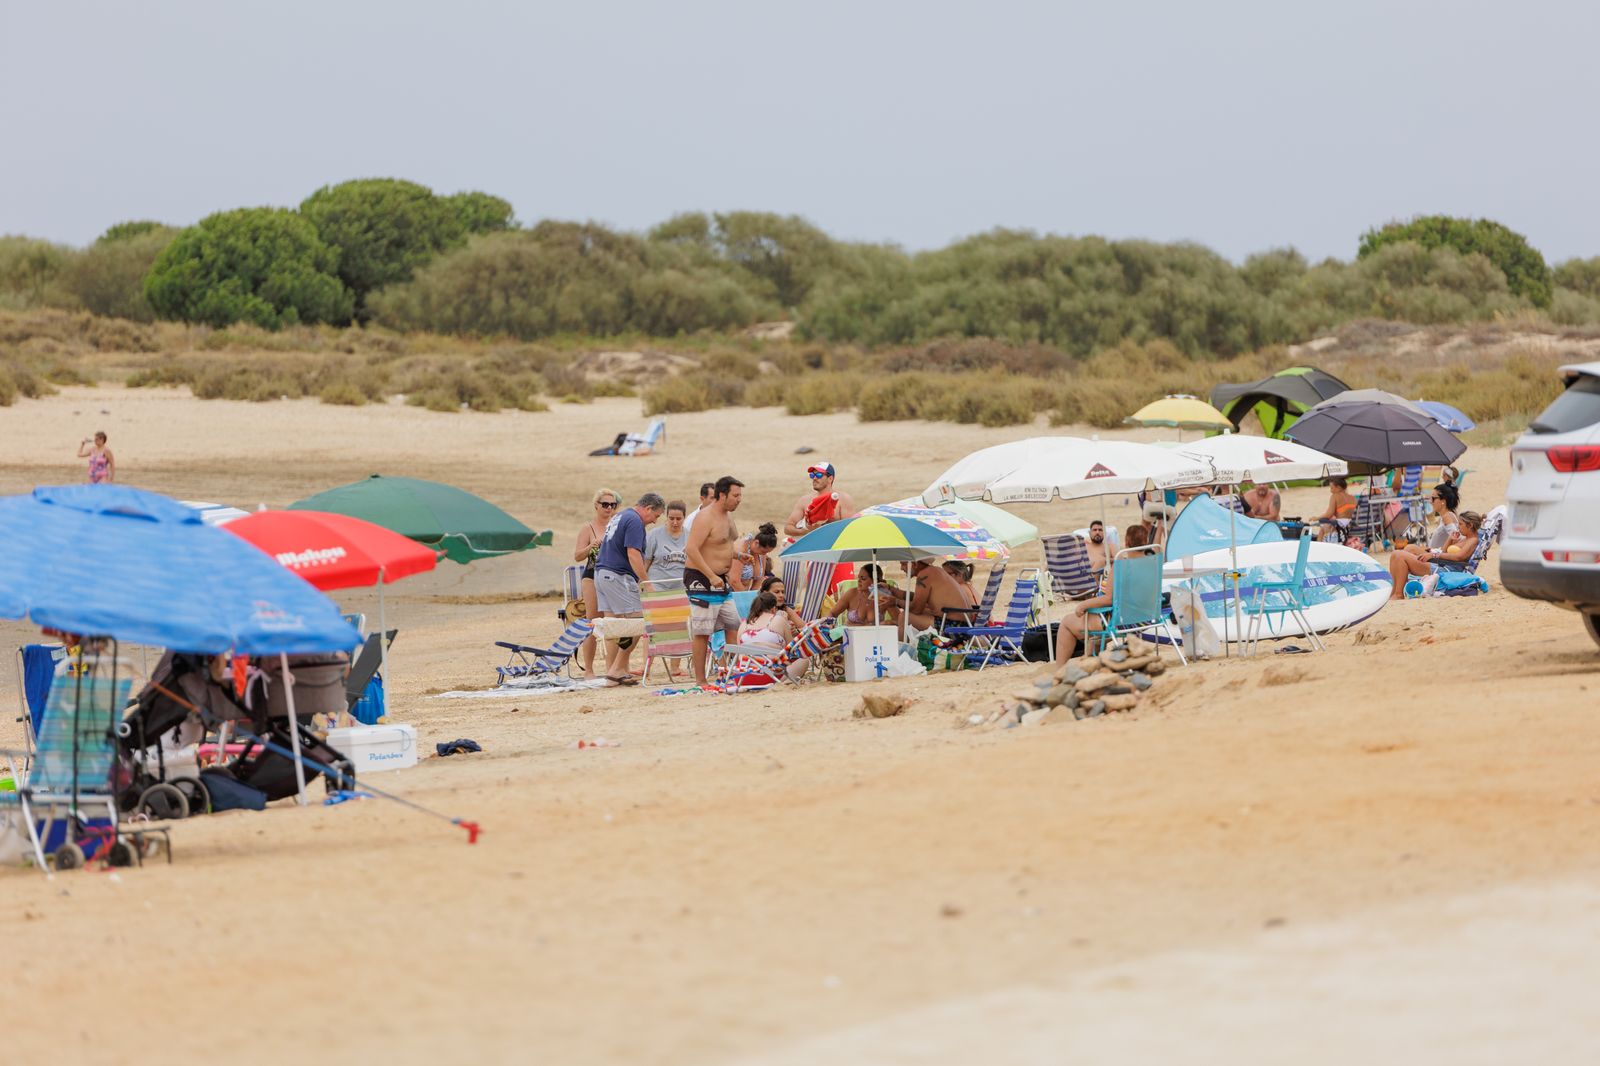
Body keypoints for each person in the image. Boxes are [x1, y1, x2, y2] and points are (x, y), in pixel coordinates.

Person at [1053, 525, 1152, 665]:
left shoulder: (1121, 564)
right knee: (1097, 637)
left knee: (1067, 622)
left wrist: (1083, 605)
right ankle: (1092, 662)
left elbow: (1108, 599)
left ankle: (1059, 669)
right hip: (1147, 618)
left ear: (1127, 542)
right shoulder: (1153, 562)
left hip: (1123, 622)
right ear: (1146, 542)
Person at [594, 492, 665, 683]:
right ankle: (617, 669)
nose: (654, 522)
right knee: (638, 622)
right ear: (648, 508)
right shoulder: (635, 521)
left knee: (614, 626)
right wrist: (645, 581)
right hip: (618, 575)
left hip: (601, 573)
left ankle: (617, 670)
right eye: (656, 516)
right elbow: (633, 553)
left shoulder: (621, 515)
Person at [684, 476, 745, 684]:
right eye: (735, 495)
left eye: (740, 496)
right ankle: (701, 680)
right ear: (722, 495)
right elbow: (691, 549)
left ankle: (731, 672)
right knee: (703, 631)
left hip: (720, 580)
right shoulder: (705, 517)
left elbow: (724, 545)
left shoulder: (728, 517)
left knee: (733, 624)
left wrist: (738, 556)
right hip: (701, 578)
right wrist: (710, 575)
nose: (739, 500)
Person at [573, 488, 621, 678]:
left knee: (611, 621)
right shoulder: (588, 528)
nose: (609, 508)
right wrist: (591, 546)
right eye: (605, 504)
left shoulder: (617, 525)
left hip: (613, 575)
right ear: (596, 506)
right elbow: (577, 556)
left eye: (613, 505)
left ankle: (612, 667)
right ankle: (589, 669)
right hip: (592, 574)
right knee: (592, 621)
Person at [1387, 509, 1481, 598]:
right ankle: (1394, 592)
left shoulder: (1472, 541)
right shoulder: (1465, 539)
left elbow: (1458, 557)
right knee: (1409, 548)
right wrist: (1450, 539)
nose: (1458, 527)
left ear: (1470, 525)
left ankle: (1398, 594)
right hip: (1443, 565)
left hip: (1445, 571)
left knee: (1398, 555)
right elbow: (1444, 552)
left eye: (1461, 524)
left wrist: (1433, 555)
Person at [783, 461, 856, 539]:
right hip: (812, 545)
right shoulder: (804, 500)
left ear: (830, 479)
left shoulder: (843, 499)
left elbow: (849, 528)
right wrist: (805, 531)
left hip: (832, 545)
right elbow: (788, 528)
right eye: (812, 475)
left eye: (819, 475)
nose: (814, 478)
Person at [904, 558, 974, 635]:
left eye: (903, 564)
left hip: (955, 627)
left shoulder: (925, 573)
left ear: (915, 564)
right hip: (964, 625)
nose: (901, 568)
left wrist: (896, 602)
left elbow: (916, 609)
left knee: (904, 617)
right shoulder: (936, 571)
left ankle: (901, 646)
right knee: (913, 615)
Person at [1394, 483, 1459, 559]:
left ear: (1443, 501)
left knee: (1408, 549)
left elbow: (1456, 538)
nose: (1430, 501)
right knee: (1407, 549)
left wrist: (1438, 550)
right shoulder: (1445, 517)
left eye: (1433, 498)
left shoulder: (1447, 517)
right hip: (1434, 554)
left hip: (1437, 557)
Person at [830, 564, 900, 627]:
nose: (859, 581)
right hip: (851, 637)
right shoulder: (851, 593)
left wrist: (886, 623)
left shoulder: (883, 597)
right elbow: (832, 613)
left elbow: (899, 621)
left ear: (874, 580)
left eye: (863, 578)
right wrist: (829, 624)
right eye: (858, 578)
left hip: (873, 638)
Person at [645, 500, 689, 587]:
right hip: (658, 586)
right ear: (666, 517)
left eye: (679, 519)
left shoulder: (690, 536)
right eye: (671, 518)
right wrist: (643, 584)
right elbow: (646, 562)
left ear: (684, 517)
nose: (675, 522)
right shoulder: (654, 534)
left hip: (682, 586)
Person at [731, 523, 779, 590]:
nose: (765, 554)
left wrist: (753, 596)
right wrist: (746, 598)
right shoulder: (740, 549)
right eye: (764, 551)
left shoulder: (761, 553)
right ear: (756, 543)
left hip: (745, 593)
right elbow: (734, 581)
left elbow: (760, 577)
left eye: (767, 552)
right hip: (730, 593)